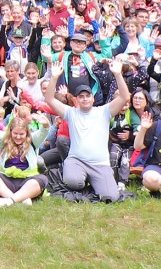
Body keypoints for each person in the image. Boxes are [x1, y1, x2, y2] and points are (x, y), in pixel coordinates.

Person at [42, 69, 132, 202]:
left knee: (111, 197)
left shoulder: (104, 111)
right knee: (73, 182)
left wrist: (118, 74)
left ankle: (99, 182)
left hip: (100, 164)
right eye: (81, 96)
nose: (85, 99)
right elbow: (49, 99)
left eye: (87, 96)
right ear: (77, 99)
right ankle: (82, 179)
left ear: (93, 98)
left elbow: (124, 97)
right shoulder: (71, 113)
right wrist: (54, 77)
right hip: (77, 161)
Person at [0, 108, 46, 207]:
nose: (18, 137)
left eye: (21, 134)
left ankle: (9, 200)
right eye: (15, 133)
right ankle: (19, 198)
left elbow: (43, 132)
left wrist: (45, 124)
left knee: (42, 179)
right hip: (7, 180)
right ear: (11, 132)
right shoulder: (4, 140)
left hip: (26, 181)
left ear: (26, 133)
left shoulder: (33, 140)